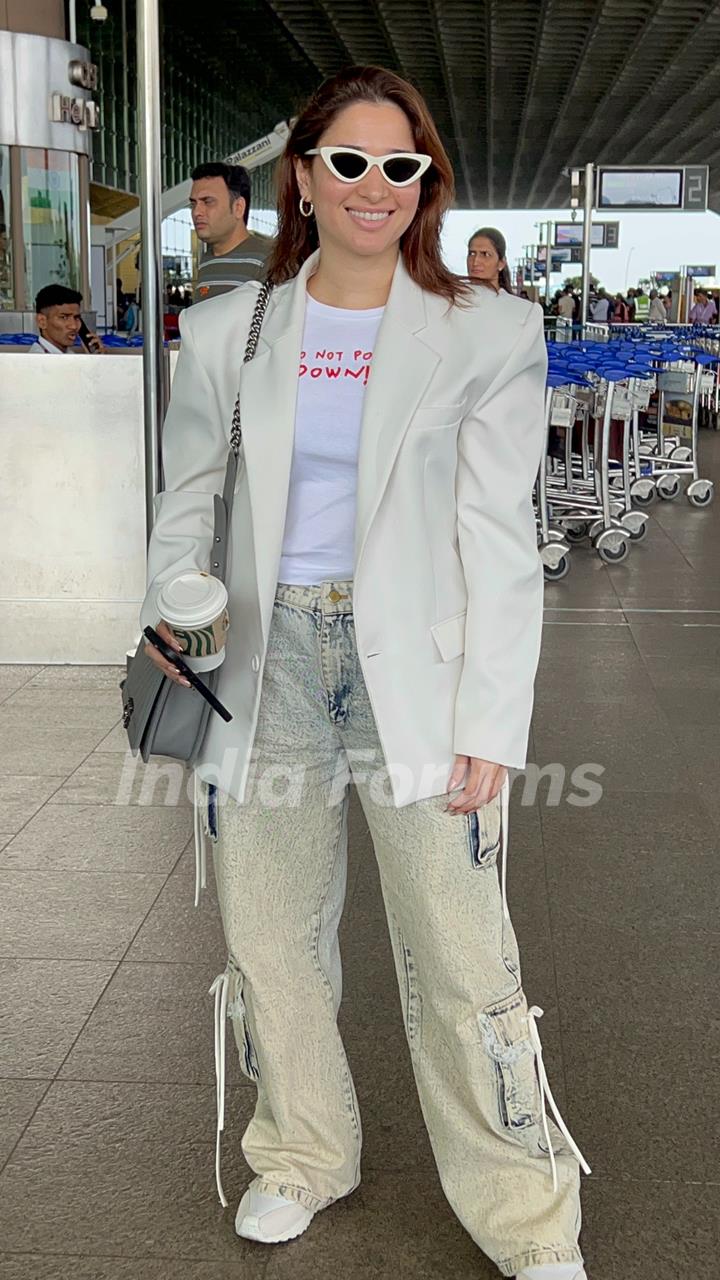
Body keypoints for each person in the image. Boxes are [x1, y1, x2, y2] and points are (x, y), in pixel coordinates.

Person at [142, 64, 589, 1280]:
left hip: (420, 668)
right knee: (274, 933)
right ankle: (301, 1149)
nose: (376, 187)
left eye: (403, 167)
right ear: (303, 175)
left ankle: (528, 1209)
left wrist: (495, 715)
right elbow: (188, 505)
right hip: (264, 654)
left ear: (427, 185)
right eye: (350, 161)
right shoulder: (231, 328)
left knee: (461, 948)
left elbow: (500, 535)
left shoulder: (489, 329)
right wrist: (175, 605)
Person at [190, 161, 273, 302]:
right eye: (193, 203)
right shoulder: (207, 261)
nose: (196, 212)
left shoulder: (267, 259)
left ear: (238, 207)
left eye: (208, 201)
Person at [28, 285, 103, 354]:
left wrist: (96, 360)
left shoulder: (69, 354)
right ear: (42, 321)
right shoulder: (36, 361)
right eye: (64, 317)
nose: (74, 326)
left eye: (76, 318)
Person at [466, 227, 513, 293]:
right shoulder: (454, 300)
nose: (475, 262)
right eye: (472, 254)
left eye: (485, 254)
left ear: (501, 263)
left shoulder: (512, 302)